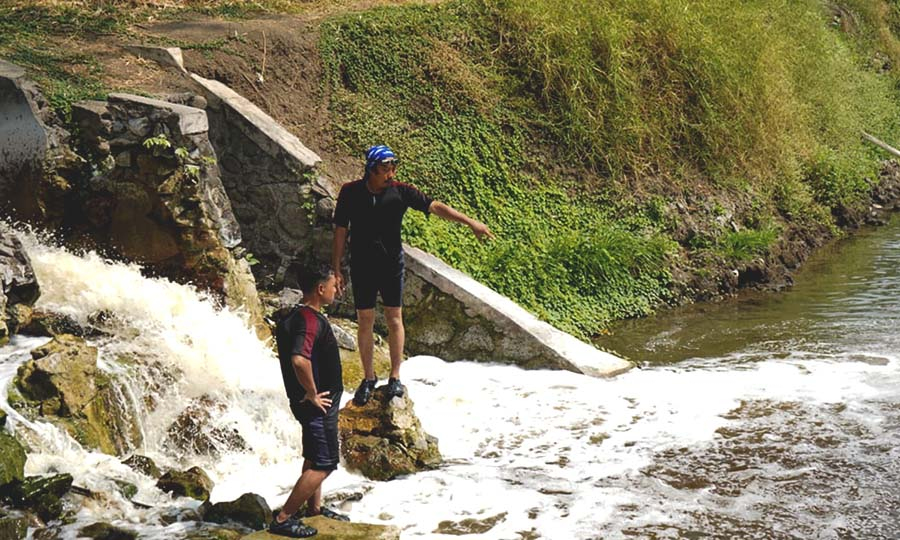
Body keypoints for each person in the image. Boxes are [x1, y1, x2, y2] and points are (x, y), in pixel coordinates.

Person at [332, 144, 494, 406]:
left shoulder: (401, 192)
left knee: (394, 317)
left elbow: (435, 206)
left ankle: (395, 377)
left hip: (390, 264)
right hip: (362, 264)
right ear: (371, 169)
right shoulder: (350, 193)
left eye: (394, 168)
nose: (391, 173)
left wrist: (470, 222)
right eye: (386, 169)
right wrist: (336, 268)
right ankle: (369, 377)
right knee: (365, 319)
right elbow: (340, 230)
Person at [269, 266, 349, 538]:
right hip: (317, 404)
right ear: (320, 289)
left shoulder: (296, 315)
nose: (336, 290)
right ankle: (283, 518)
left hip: (310, 402)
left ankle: (314, 509)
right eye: (333, 285)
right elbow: (299, 359)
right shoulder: (310, 320)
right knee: (325, 464)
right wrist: (313, 393)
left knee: (314, 456)